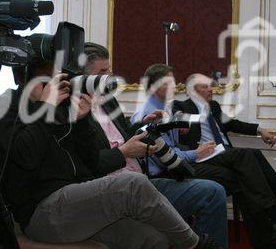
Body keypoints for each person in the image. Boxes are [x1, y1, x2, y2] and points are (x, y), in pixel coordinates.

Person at [0, 59, 221, 249]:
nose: (51, 89)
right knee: (132, 184)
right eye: (44, 82)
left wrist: (82, 120)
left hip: (78, 200)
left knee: (152, 239)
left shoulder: (60, 109)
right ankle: (195, 244)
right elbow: (26, 157)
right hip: (41, 211)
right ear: (21, 80)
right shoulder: (3, 107)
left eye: (54, 82)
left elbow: (90, 160)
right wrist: (47, 108)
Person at [131, 65, 276, 249]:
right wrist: (195, 151)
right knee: (244, 169)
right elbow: (164, 155)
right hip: (177, 167)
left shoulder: (170, 108)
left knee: (246, 166)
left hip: (200, 158)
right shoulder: (162, 110)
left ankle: (272, 229)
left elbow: (227, 124)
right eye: (170, 81)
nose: (176, 85)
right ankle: (274, 225)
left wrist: (178, 125)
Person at [83, 43, 228, 248]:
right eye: (103, 71)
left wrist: (144, 123)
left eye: (110, 70)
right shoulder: (75, 112)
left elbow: (126, 133)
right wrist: (123, 152)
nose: (110, 76)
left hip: (142, 179)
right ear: (83, 77)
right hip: (113, 190)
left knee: (214, 191)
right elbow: (85, 164)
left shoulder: (109, 101)